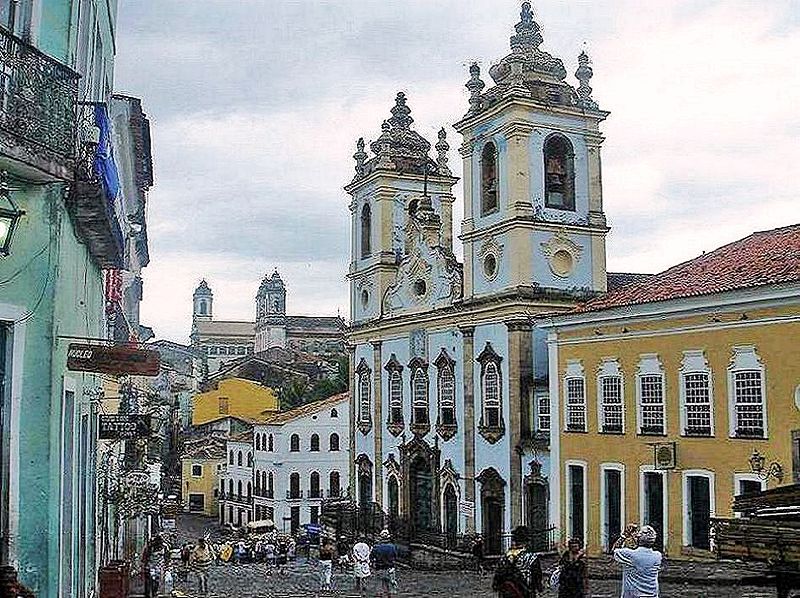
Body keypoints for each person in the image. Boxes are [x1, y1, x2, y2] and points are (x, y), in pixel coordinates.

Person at [492, 525, 544, 598]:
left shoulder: (505, 556)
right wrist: (539, 588)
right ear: (527, 541)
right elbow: (537, 576)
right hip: (525, 591)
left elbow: (498, 575)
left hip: (507, 593)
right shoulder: (531, 557)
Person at [612, 525, 663, 598]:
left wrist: (624, 536)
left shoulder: (630, 555)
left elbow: (614, 550)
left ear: (638, 538)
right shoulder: (658, 556)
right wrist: (637, 539)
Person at [370, 530, 398, 597]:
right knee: (390, 586)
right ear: (388, 538)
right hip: (390, 568)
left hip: (379, 568)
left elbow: (371, 557)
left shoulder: (376, 547)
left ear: (380, 537)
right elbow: (395, 556)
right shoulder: (392, 547)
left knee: (380, 586)